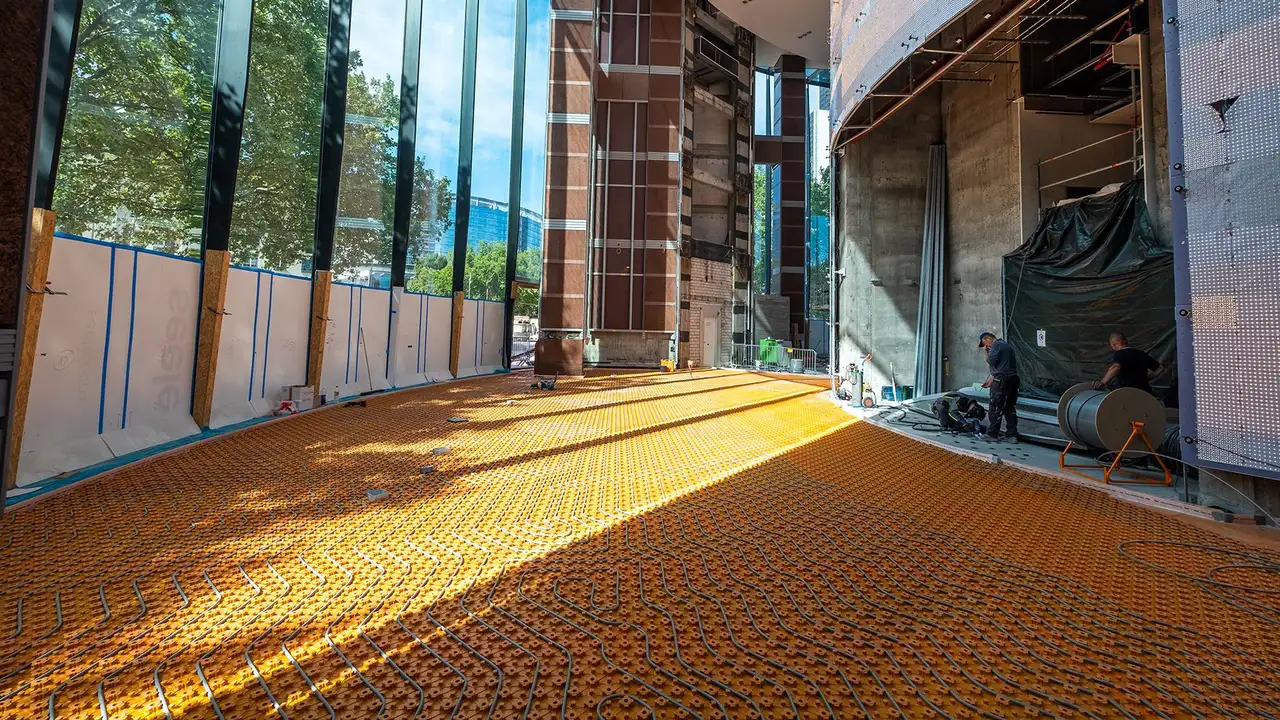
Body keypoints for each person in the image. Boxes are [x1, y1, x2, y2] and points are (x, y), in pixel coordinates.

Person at [979, 332, 1019, 441]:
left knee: (995, 406)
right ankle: (1012, 435)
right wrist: (991, 380)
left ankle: (992, 434)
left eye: (985, 344)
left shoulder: (996, 345)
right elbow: (1004, 366)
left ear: (987, 339)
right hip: (1012, 380)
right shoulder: (1006, 345)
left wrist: (987, 353)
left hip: (1001, 381)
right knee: (1010, 408)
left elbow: (992, 361)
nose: (986, 347)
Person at [1094, 332, 1161, 395]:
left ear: (1113, 345)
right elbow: (1160, 368)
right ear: (1126, 342)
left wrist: (1102, 382)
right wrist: (1147, 378)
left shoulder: (1119, 354)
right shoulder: (1141, 353)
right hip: (1145, 392)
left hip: (1127, 393)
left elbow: (1116, 367)